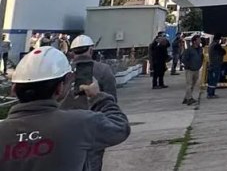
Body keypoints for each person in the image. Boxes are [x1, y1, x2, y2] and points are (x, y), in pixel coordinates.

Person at [0, 47, 130, 170]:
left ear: (14, 90)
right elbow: (120, 127)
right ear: (59, 88)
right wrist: (97, 97)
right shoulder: (80, 123)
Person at [60, 35, 119, 171]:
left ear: (72, 52)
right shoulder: (103, 70)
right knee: (93, 163)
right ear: (91, 50)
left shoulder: (63, 71)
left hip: (64, 127)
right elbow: (111, 98)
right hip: (93, 126)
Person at [180, 36, 204, 105]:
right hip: (189, 70)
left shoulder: (200, 49)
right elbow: (184, 59)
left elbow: (201, 57)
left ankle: (186, 98)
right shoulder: (189, 50)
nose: (200, 41)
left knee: (193, 84)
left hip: (196, 69)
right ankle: (189, 99)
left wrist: (200, 65)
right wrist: (188, 66)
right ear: (194, 41)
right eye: (198, 40)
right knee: (189, 84)